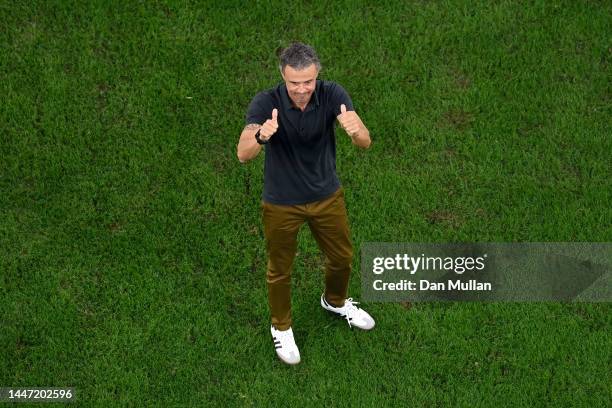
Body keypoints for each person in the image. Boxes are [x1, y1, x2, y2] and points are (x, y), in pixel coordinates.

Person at [236, 42, 375, 365]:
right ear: (283, 78)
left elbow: (365, 141)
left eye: (308, 82)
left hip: (326, 195)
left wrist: (356, 132)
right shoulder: (265, 102)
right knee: (280, 269)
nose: (301, 90)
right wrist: (260, 136)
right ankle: (281, 326)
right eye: (294, 83)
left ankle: (335, 301)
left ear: (318, 76)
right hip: (282, 202)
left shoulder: (332, 94)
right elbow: (243, 154)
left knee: (342, 257)